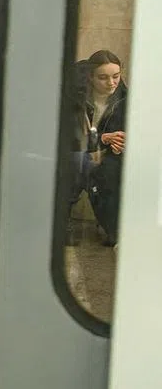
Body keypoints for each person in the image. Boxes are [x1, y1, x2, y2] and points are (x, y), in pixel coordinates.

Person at [71, 50, 128, 244]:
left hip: (107, 155)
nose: (111, 83)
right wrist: (102, 138)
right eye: (103, 78)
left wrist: (122, 143)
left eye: (116, 76)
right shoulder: (75, 98)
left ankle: (114, 230)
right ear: (90, 77)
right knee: (76, 165)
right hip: (78, 153)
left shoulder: (125, 99)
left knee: (110, 174)